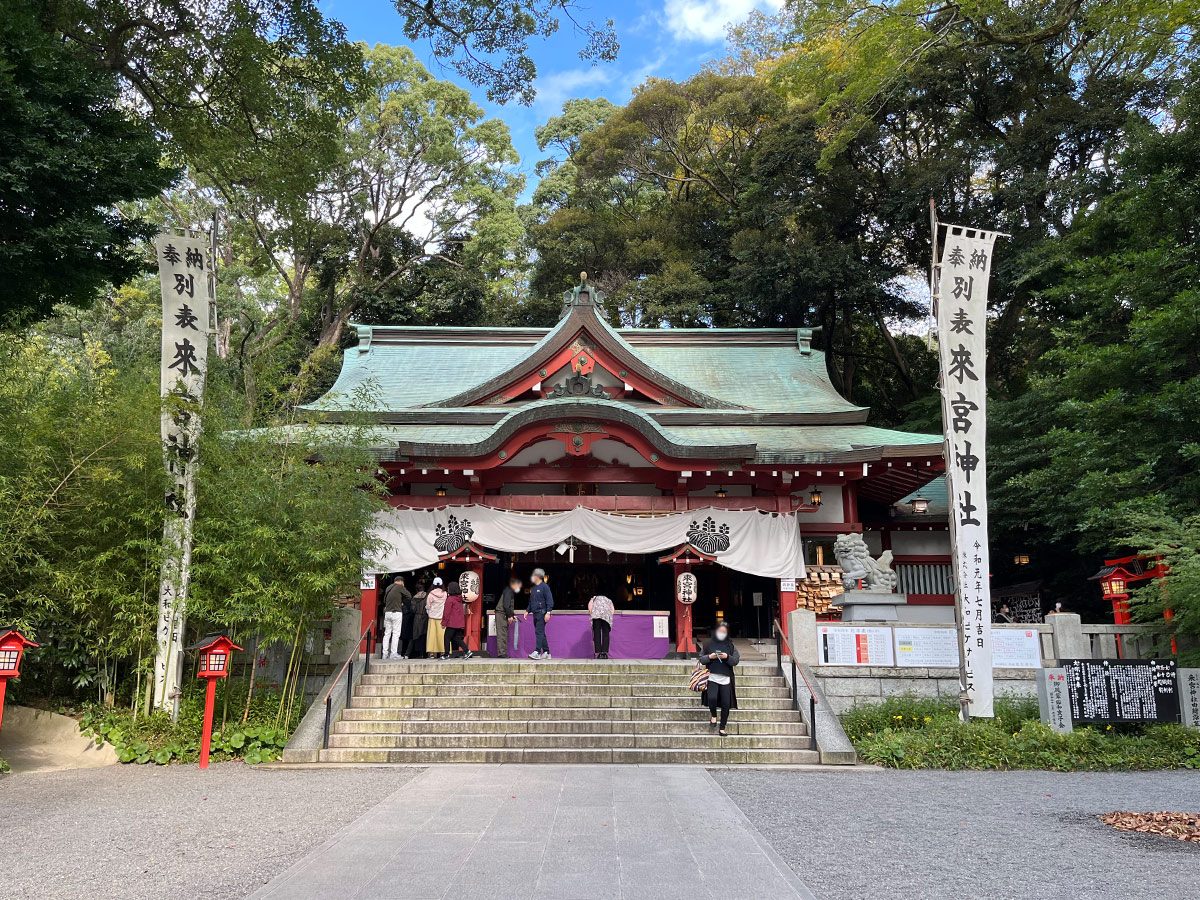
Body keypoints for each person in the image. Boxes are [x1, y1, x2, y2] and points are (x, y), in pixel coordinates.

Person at [697, 621, 740, 737]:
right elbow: (701, 659)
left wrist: (727, 657)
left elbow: (735, 661)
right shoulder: (707, 644)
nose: (722, 633)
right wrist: (710, 657)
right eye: (720, 631)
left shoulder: (730, 645)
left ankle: (722, 728)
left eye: (724, 631)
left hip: (726, 678)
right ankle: (714, 716)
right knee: (712, 698)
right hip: (712, 677)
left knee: (726, 704)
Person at [524, 568, 554, 660]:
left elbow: (550, 600)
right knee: (541, 632)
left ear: (537, 576)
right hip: (535, 613)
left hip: (542, 613)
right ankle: (547, 652)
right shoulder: (533, 588)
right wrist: (527, 611)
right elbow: (531, 601)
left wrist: (548, 612)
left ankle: (537, 651)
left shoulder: (545, 587)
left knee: (539, 632)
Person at [381, 576, 410, 659]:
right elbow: (409, 596)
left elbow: (384, 600)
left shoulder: (388, 588)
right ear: (401, 581)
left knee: (387, 634)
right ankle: (393, 653)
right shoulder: (400, 587)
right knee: (396, 634)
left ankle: (384, 653)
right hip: (396, 613)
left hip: (387, 613)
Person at [441, 581, 470, 659]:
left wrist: (444, 623)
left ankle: (446, 654)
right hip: (459, 623)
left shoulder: (450, 599)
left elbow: (446, 612)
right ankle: (467, 651)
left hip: (451, 623)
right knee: (457, 638)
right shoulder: (459, 599)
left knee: (446, 637)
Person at [495, 575, 521, 658]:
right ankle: (501, 653)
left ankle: (503, 653)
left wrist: (512, 615)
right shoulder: (508, 591)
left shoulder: (509, 591)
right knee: (502, 634)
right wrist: (510, 616)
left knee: (504, 634)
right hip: (501, 615)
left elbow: (508, 606)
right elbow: (506, 606)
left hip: (503, 614)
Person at [404, 581, 428, 658]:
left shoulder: (414, 598)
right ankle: (424, 654)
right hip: (426, 617)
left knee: (414, 636)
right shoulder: (427, 596)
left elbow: (413, 610)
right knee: (425, 635)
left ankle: (407, 654)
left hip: (417, 618)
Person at [425, 577, 447, 658]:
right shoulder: (445, 594)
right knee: (442, 635)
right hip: (442, 617)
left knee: (432, 635)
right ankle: (443, 651)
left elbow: (428, 606)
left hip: (432, 617)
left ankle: (432, 653)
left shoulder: (430, 594)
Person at [588, 594, 614, 659]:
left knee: (597, 632)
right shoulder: (608, 600)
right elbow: (612, 610)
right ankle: (605, 653)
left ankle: (598, 653)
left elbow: (590, 607)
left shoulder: (594, 598)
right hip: (606, 616)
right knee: (606, 633)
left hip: (596, 616)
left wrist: (591, 614)